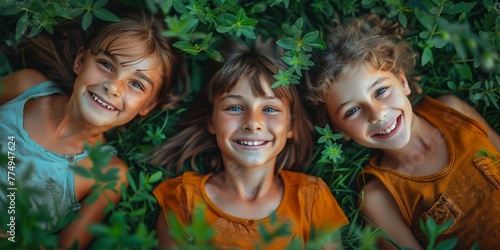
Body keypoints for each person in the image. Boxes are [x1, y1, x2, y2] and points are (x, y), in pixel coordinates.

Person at [302, 14, 500, 249]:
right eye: (353, 110)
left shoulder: (452, 110)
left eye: (381, 91)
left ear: (403, 81)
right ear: (337, 130)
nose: (376, 114)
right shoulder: (378, 197)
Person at [0, 11, 187, 249]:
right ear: (80, 61)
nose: (113, 87)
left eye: (136, 84)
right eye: (106, 64)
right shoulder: (25, 87)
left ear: (148, 105)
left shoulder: (108, 175)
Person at [149, 42, 349, 249]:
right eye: (235, 107)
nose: (253, 123)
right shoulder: (183, 198)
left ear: (290, 125)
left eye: (270, 109)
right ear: (212, 122)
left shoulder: (311, 197)